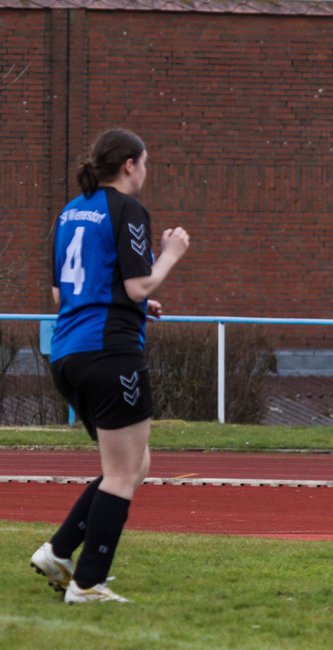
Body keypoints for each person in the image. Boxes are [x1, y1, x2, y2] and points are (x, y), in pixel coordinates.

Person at [29, 128, 190, 603]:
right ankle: (87, 583)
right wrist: (170, 254)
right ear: (128, 165)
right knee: (124, 473)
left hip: (68, 354)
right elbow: (140, 284)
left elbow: (63, 294)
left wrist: (135, 305)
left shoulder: (69, 212)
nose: (145, 171)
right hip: (110, 354)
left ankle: (58, 553)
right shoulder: (127, 209)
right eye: (145, 162)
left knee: (134, 464)